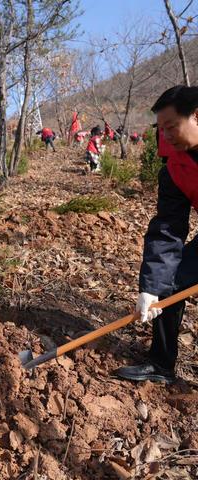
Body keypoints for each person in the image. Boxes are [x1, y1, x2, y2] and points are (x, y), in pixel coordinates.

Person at [114, 86, 198, 384]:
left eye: (172, 127)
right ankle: (162, 365)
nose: (167, 135)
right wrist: (151, 287)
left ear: (196, 116)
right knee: (170, 284)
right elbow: (168, 229)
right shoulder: (175, 166)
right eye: (161, 129)